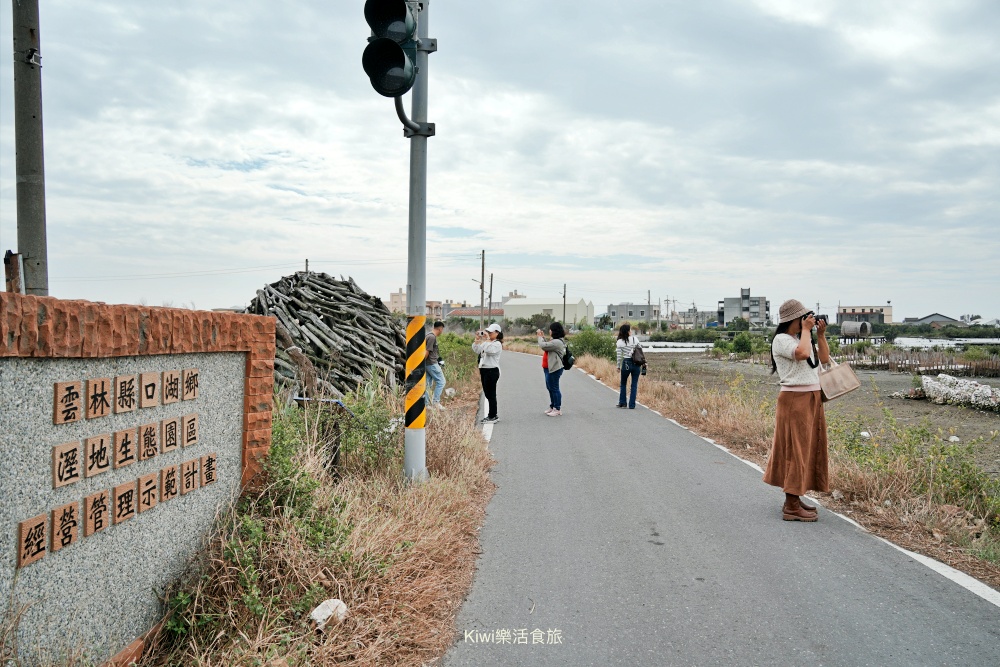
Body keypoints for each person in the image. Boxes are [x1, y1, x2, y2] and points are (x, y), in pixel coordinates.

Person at [762, 299, 831, 522]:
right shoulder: (781, 340)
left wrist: (820, 335)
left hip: (811, 398)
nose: (807, 319)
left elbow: (824, 360)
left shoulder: (801, 338)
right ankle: (791, 505)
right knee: (795, 450)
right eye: (803, 317)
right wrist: (806, 331)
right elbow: (801, 354)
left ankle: (794, 498)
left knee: (808, 448)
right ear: (794, 319)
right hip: (795, 399)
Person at [473, 323, 503, 424]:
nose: (489, 333)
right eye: (488, 332)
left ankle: (492, 416)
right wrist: (477, 340)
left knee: (491, 394)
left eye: (491, 332)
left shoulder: (497, 344)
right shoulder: (487, 342)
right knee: (487, 394)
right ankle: (492, 415)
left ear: (497, 333)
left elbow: (490, 351)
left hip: (492, 370)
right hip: (484, 369)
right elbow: (477, 350)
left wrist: (487, 339)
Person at [537, 322, 567, 416]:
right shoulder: (554, 341)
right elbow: (547, 346)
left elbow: (543, 346)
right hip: (548, 368)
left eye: (551, 329)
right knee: (550, 387)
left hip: (554, 368)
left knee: (554, 388)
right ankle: (552, 406)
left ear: (554, 331)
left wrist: (539, 337)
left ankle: (557, 408)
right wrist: (543, 337)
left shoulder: (557, 342)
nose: (549, 331)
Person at [615, 323, 642, 409]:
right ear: (627, 331)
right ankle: (632, 405)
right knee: (634, 384)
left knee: (623, 383)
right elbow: (640, 351)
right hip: (636, 363)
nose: (631, 331)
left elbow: (619, 356)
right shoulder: (635, 339)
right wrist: (644, 362)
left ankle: (623, 403)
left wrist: (618, 366)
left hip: (626, 363)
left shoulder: (619, 342)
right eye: (630, 329)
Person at [424, 321, 446, 411]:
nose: (442, 331)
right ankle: (436, 403)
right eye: (442, 329)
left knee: (428, 384)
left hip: (428, 364)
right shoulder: (432, 337)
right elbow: (427, 351)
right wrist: (422, 363)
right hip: (432, 364)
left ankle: (426, 405)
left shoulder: (428, 335)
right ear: (440, 329)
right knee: (441, 382)